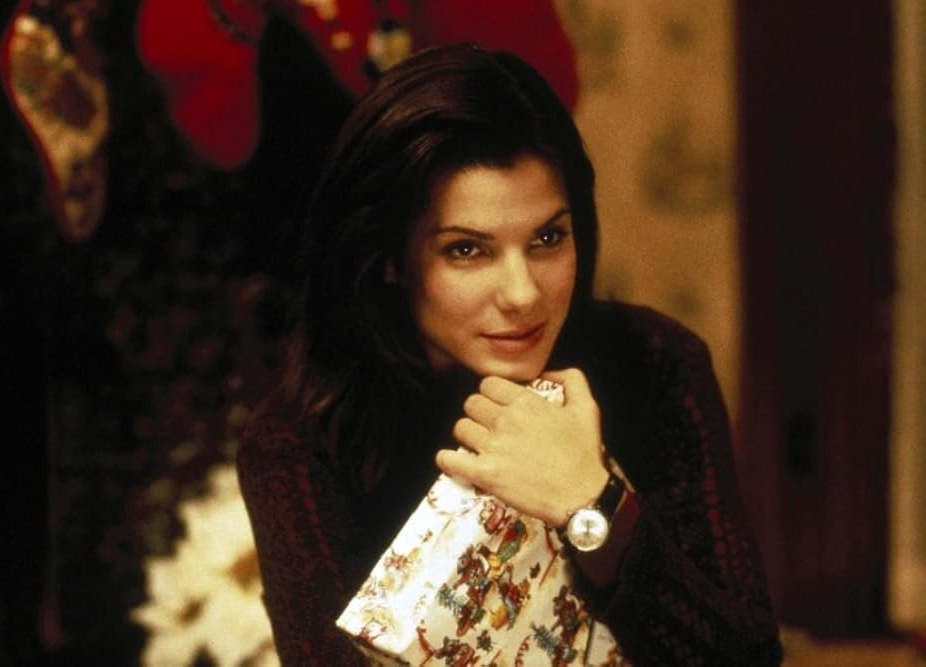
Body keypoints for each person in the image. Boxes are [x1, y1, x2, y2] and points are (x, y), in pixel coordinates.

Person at [237, 43, 783, 665]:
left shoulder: (655, 361)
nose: (523, 295)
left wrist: (591, 505)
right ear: (388, 258)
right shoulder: (299, 438)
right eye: (467, 250)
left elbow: (748, 658)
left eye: (548, 238)